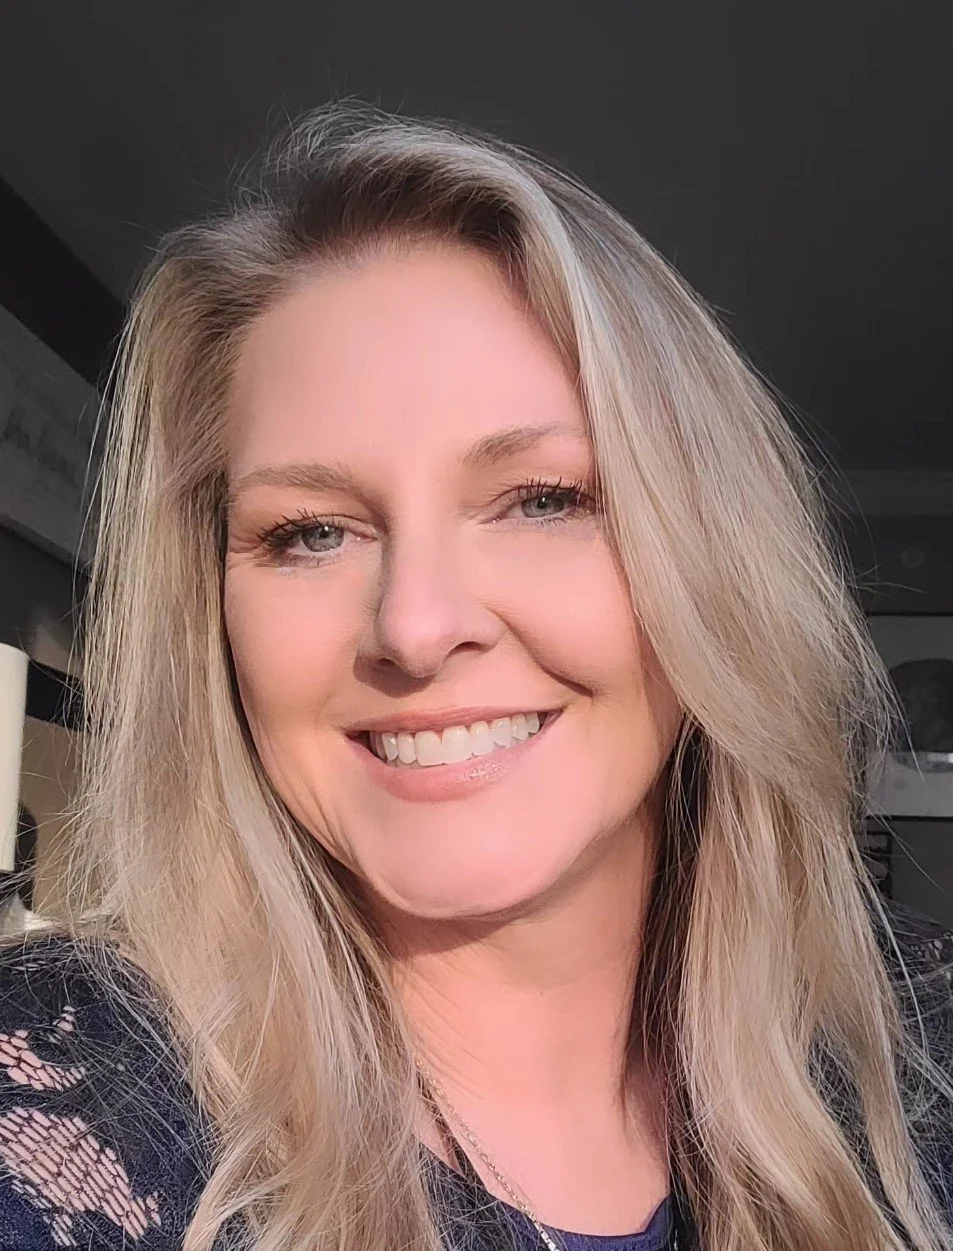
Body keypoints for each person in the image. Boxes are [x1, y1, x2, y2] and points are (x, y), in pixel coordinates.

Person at [0, 103, 950, 1251]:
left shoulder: (914, 1067)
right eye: (309, 531)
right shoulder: (69, 1089)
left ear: (713, 564)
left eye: (542, 500)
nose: (414, 624)